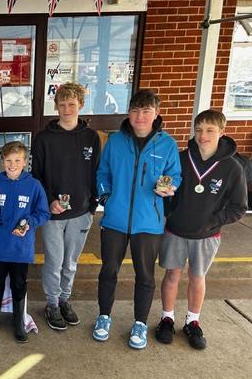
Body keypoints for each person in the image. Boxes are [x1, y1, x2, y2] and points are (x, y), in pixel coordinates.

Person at [94, 89, 181, 350]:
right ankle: (103, 316)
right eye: (135, 111)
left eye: (146, 111)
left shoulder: (167, 144)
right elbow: (102, 172)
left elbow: (174, 175)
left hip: (149, 223)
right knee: (109, 271)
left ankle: (140, 323)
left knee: (145, 275)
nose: (140, 117)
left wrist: (169, 188)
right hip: (115, 220)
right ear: (128, 113)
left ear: (156, 114)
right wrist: (106, 197)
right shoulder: (115, 141)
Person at [155, 109, 247, 350]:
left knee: (197, 277)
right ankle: (167, 317)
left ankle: (192, 321)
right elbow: (167, 185)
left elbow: (238, 207)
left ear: (221, 132)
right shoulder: (182, 158)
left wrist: (213, 220)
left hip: (207, 235)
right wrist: (165, 201)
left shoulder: (232, 168)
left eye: (209, 131)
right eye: (198, 130)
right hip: (175, 230)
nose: (203, 136)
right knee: (172, 275)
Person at [32, 82, 100, 331]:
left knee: (71, 261)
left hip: (81, 213)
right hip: (52, 213)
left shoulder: (91, 137)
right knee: (54, 261)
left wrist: (92, 206)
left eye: (72, 104)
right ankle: (51, 303)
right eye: (62, 104)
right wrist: (48, 201)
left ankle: (64, 299)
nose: (67, 109)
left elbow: (96, 173)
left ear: (80, 105)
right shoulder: (43, 139)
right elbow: (36, 175)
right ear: (56, 107)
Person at [0, 141, 50, 342]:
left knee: (18, 285)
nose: (12, 164)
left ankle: (18, 322)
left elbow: (44, 213)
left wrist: (30, 222)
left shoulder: (34, 185)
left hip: (20, 249)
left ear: (25, 162)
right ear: (2, 161)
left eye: (17, 160)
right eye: (8, 160)